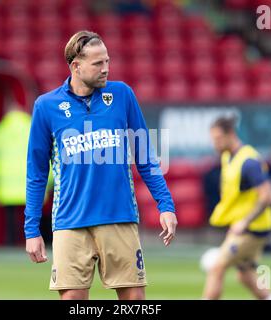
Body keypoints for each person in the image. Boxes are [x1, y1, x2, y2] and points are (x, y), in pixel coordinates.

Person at [24, 30, 177, 300]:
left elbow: (145, 156)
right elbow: (37, 173)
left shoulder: (122, 95)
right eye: (98, 63)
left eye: (107, 61)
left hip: (118, 217)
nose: (106, 69)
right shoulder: (46, 106)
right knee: (73, 300)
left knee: (134, 300)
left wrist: (165, 205)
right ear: (76, 65)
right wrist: (32, 229)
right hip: (70, 221)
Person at [202, 115, 271, 300]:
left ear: (231, 135)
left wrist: (244, 222)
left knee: (216, 267)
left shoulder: (249, 162)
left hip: (253, 229)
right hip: (244, 227)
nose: (215, 144)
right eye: (213, 140)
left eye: (218, 139)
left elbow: (268, 196)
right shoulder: (228, 157)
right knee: (245, 276)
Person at [0, 104, 53, 245]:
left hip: (7, 185)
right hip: (30, 181)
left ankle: (11, 243)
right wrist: (51, 180)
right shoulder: (33, 127)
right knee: (35, 214)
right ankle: (38, 241)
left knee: (11, 220)